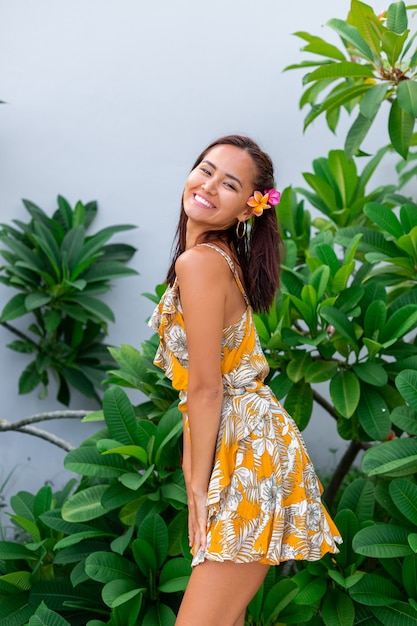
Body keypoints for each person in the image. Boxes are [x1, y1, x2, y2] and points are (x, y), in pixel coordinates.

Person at [149, 135, 342, 626]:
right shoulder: (211, 260)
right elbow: (199, 392)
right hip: (244, 446)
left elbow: (207, 388)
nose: (209, 185)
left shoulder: (201, 263)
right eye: (206, 170)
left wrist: (196, 488)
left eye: (229, 184)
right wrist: (201, 477)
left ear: (245, 210)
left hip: (247, 453)